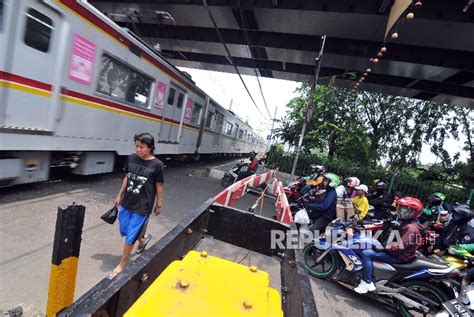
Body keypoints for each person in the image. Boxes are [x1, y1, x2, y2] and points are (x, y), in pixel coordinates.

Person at [110, 133, 164, 277]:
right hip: (127, 202)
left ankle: (122, 263)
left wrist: (159, 204)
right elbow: (127, 177)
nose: (138, 149)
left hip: (142, 207)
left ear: (151, 148)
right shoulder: (132, 158)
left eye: (142, 147)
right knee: (124, 229)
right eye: (137, 146)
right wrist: (119, 195)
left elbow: (159, 185)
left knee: (130, 235)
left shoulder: (157, 165)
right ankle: (144, 239)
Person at [354, 197, 424, 294]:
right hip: (401, 253)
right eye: (401, 208)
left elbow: (399, 247)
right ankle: (371, 276)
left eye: (405, 210)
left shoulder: (410, 228)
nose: (401, 211)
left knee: (366, 253)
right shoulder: (409, 223)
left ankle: (367, 282)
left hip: (399, 256)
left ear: (413, 212)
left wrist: (384, 247)